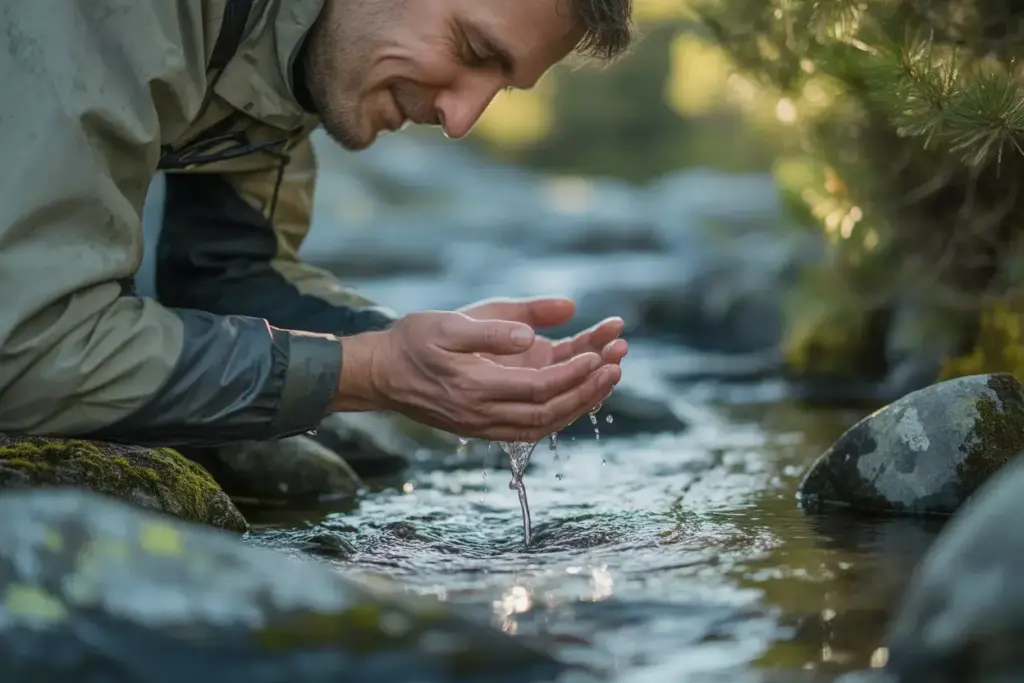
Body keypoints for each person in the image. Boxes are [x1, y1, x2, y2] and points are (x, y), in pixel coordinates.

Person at [0, 0, 633, 452]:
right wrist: (368, 374)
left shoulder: (297, 49)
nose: (462, 118)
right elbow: (25, 348)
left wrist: (417, 349)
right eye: (471, 50)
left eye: (502, 87)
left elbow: (226, 279)